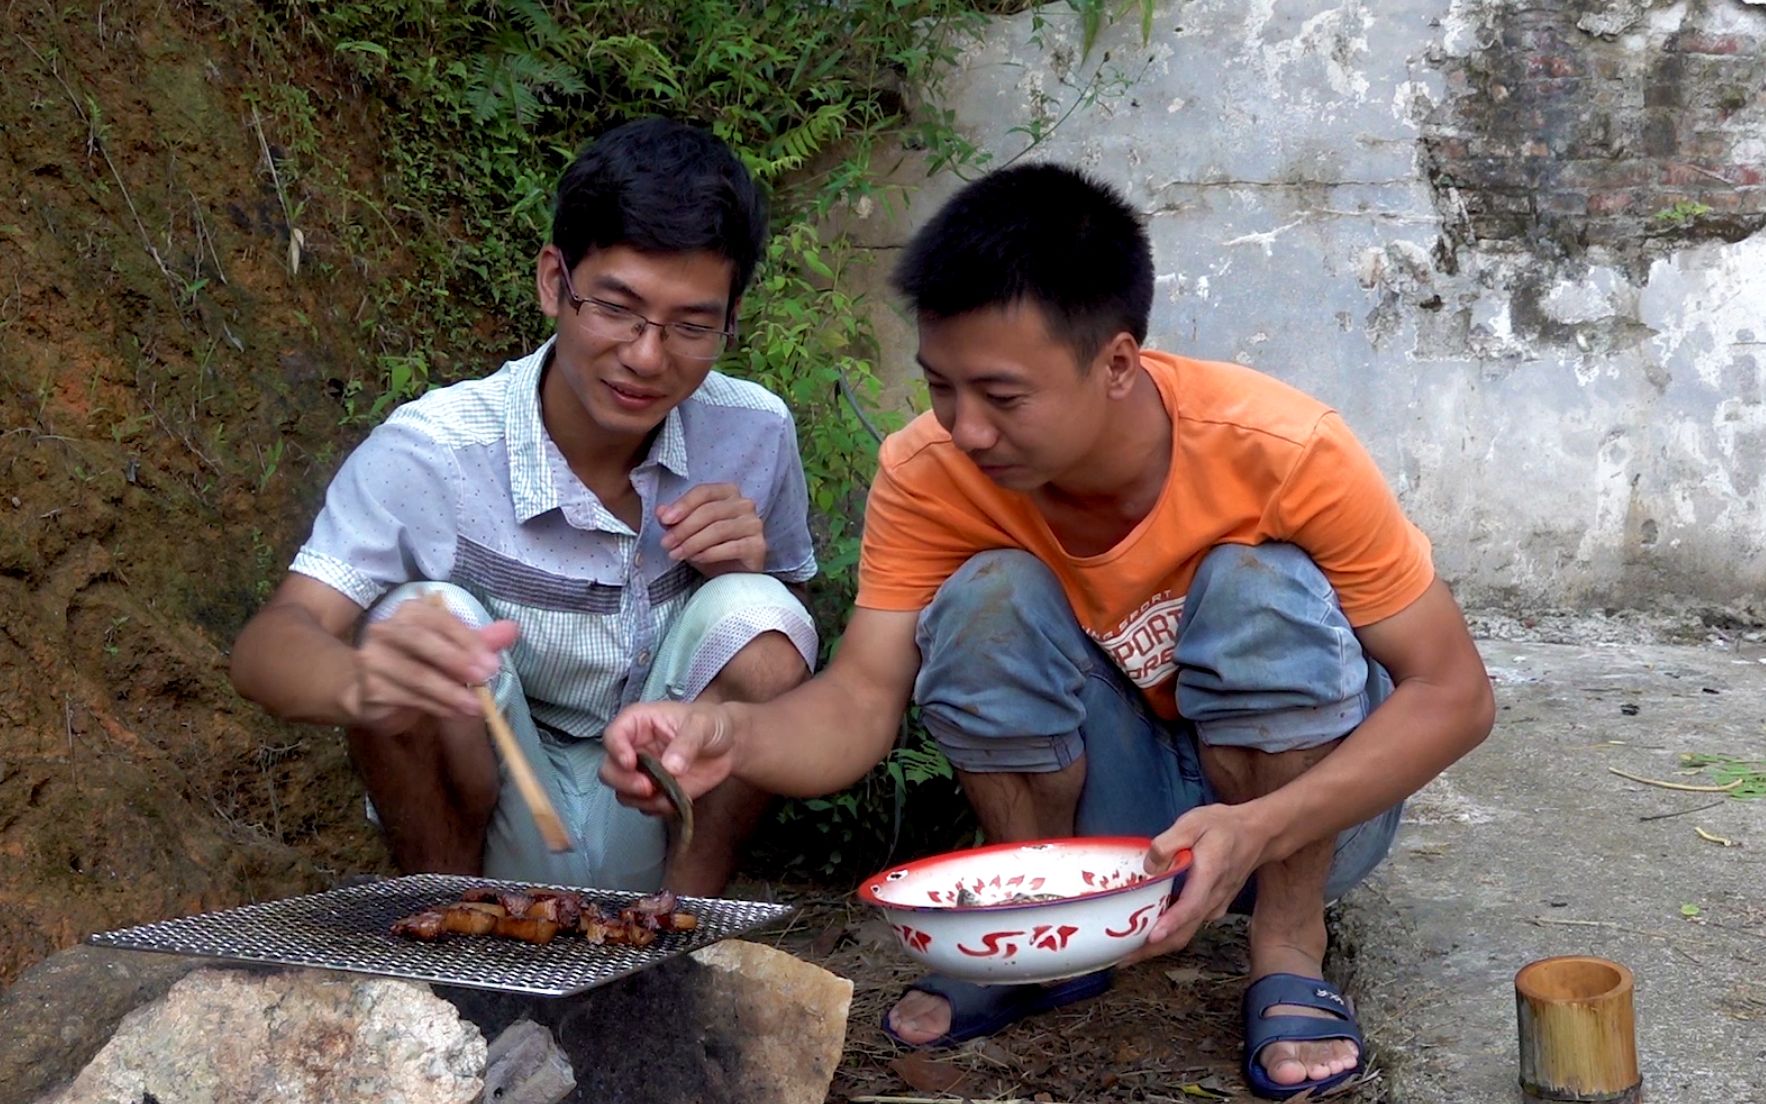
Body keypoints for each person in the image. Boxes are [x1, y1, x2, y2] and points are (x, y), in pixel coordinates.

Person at [597, 161, 1494, 1100]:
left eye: (1002, 396)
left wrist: (1257, 827)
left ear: (1115, 363)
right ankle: (1045, 937)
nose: (967, 429)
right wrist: (727, 732)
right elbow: (862, 699)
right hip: (1118, 827)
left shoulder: (1281, 449)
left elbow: (1455, 694)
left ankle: (1287, 945)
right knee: (986, 596)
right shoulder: (932, 471)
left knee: (1257, 582)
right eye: (941, 387)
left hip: (1306, 812)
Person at [230, 118, 820, 897]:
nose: (647, 355)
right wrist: (363, 681)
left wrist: (745, 579)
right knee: (421, 616)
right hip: (496, 819)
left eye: (692, 325)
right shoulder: (436, 451)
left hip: (660, 808)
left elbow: (789, 661)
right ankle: (452, 932)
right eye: (615, 307)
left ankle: (685, 927)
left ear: (730, 318)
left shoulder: (752, 432)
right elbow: (270, 645)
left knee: (762, 612)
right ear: (554, 282)